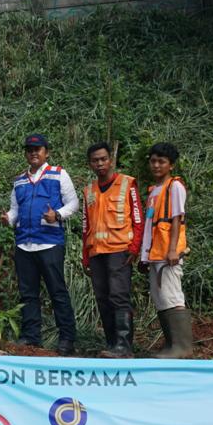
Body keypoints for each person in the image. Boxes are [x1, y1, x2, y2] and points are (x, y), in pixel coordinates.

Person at [1, 134, 79, 355]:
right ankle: (31, 336)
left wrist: (58, 215)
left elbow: (73, 203)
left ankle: (67, 339)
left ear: (47, 152)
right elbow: (15, 210)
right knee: (28, 294)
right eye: (30, 149)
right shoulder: (19, 180)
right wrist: (8, 218)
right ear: (26, 154)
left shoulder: (58, 174)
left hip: (50, 243)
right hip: (24, 245)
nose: (33, 153)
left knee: (57, 292)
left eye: (38, 149)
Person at [81, 142, 143, 358]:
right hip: (96, 252)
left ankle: (124, 346)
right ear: (90, 164)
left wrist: (134, 248)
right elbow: (86, 226)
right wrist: (85, 256)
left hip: (120, 250)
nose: (100, 163)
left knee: (119, 296)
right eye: (95, 160)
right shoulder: (88, 191)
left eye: (103, 159)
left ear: (111, 160)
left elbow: (138, 218)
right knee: (103, 298)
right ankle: (111, 345)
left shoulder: (127, 184)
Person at [141, 142, 192, 358]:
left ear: (171, 165)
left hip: (167, 252)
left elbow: (176, 219)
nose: (156, 165)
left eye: (161, 161)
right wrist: (144, 256)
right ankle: (171, 345)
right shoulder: (154, 190)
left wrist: (172, 250)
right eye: (153, 161)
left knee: (172, 296)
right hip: (155, 253)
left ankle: (182, 347)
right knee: (161, 297)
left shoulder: (174, 187)